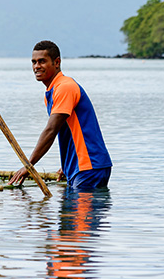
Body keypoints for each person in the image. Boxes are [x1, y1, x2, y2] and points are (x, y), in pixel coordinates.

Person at [10, 40, 112, 191]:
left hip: (89, 166)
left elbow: (51, 130)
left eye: (42, 61)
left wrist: (29, 165)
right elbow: (68, 130)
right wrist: (67, 165)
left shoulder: (65, 87)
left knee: (80, 213)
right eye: (34, 62)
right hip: (81, 167)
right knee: (70, 214)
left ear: (56, 62)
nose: (36, 66)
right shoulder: (52, 91)